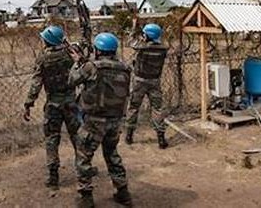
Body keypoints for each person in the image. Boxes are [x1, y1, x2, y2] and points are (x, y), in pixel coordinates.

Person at [69, 32, 132, 208]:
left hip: (94, 122)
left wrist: (77, 63)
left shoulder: (91, 67)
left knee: (83, 158)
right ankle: (123, 193)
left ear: (97, 50)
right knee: (112, 155)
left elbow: (72, 80)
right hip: (115, 121)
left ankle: (86, 198)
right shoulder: (125, 68)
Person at [23, 25, 80, 190]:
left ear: (47, 40)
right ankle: (84, 168)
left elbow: (36, 83)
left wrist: (28, 103)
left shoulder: (43, 58)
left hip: (53, 104)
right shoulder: (71, 53)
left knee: (52, 139)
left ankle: (53, 176)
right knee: (77, 137)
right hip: (71, 102)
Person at [125, 23, 169, 149]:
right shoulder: (163, 48)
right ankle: (161, 138)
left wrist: (134, 26)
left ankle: (129, 135)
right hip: (155, 81)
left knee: (133, 107)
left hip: (139, 81)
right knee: (157, 109)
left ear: (147, 36)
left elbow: (131, 41)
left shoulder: (142, 47)